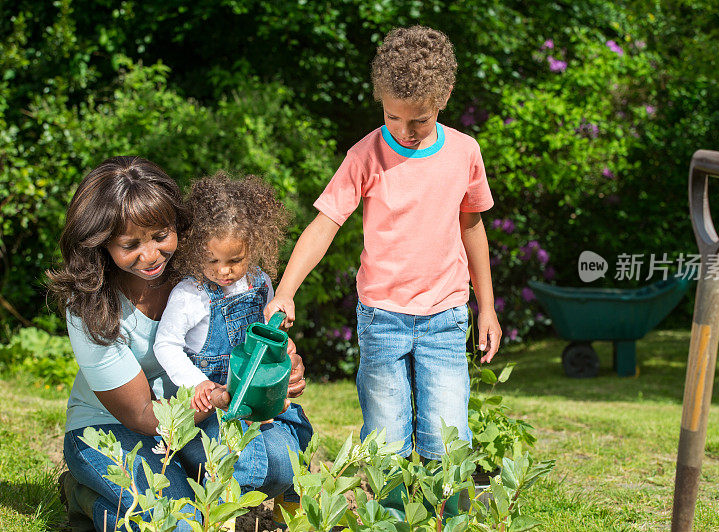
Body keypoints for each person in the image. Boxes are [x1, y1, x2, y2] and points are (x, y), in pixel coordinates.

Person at [264, 25, 501, 463]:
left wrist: (485, 306)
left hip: (446, 317)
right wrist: (285, 291)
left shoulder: (465, 152)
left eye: (419, 119)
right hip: (382, 319)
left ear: (443, 97)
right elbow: (325, 224)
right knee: (386, 444)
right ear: (380, 101)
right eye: (392, 117)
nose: (405, 130)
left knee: (448, 442)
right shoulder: (365, 156)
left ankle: (449, 521)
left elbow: (472, 228)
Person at [48, 156, 312, 532]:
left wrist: (279, 364)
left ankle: (167, 482)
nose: (151, 255)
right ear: (101, 242)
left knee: (278, 466)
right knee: (179, 524)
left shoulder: (199, 269)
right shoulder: (90, 305)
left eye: (160, 236)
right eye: (130, 244)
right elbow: (141, 414)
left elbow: (246, 334)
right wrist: (220, 399)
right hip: (114, 428)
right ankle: (84, 496)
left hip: (195, 417)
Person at [154, 172, 290, 414]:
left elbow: (267, 333)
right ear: (196, 249)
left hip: (252, 391)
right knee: (229, 449)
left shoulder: (259, 282)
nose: (223, 270)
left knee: (281, 445)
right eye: (212, 260)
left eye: (235, 260)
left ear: (254, 247)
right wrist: (197, 383)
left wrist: (282, 346)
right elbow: (166, 344)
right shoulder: (190, 294)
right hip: (205, 402)